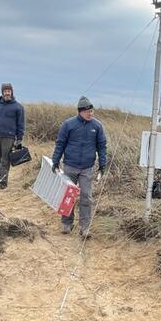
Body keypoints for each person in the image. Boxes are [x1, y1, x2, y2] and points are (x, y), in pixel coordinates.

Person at [52, 96, 107, 238]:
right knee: (68, 195)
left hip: (87, 168)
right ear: (80, 111)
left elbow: (102, 147)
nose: (91, 113)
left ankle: (85, 228)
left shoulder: (97, 126)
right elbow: (60, 143)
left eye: (92, 111)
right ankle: (66, 223)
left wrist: (102, 165)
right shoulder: (68, 124)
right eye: (88, 111)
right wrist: (55, 161)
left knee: (86, 197)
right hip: (70, 166)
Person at [0, 83, 25, 189]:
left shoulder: (18, 107)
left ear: (12, 92)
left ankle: (3, 182)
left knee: (5, 159)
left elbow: (21, 124)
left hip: (9, 137)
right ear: (2, 92)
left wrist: (19, 139)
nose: (7, 93)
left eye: (9, 91)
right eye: (5, 91)